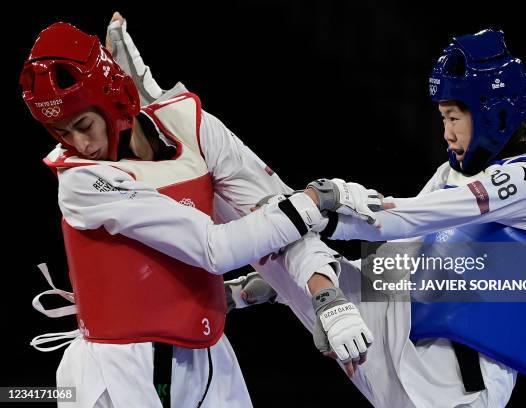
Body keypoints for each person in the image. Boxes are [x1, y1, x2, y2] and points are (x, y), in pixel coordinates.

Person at [21, 16, 378, 408]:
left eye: (83, 124)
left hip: (204, 355)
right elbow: (215, 248)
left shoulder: (191, 125)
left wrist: (324, 296)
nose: (78, 143)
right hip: (115, 369)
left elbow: (269, 206)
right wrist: (320, 198)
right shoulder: (79, 181)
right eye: (60, 131)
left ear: (112, 98)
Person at [239, 29, 526, 407]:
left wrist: (330, 208)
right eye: (442, 118)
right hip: (403, 342)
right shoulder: (451, 173)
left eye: (453, 117)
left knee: (290, 219)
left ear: (491, 113)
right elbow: (396, 256)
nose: (447, 134)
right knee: (274, 216)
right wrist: (297, 282)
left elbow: (405, 218)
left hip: (460, 385)